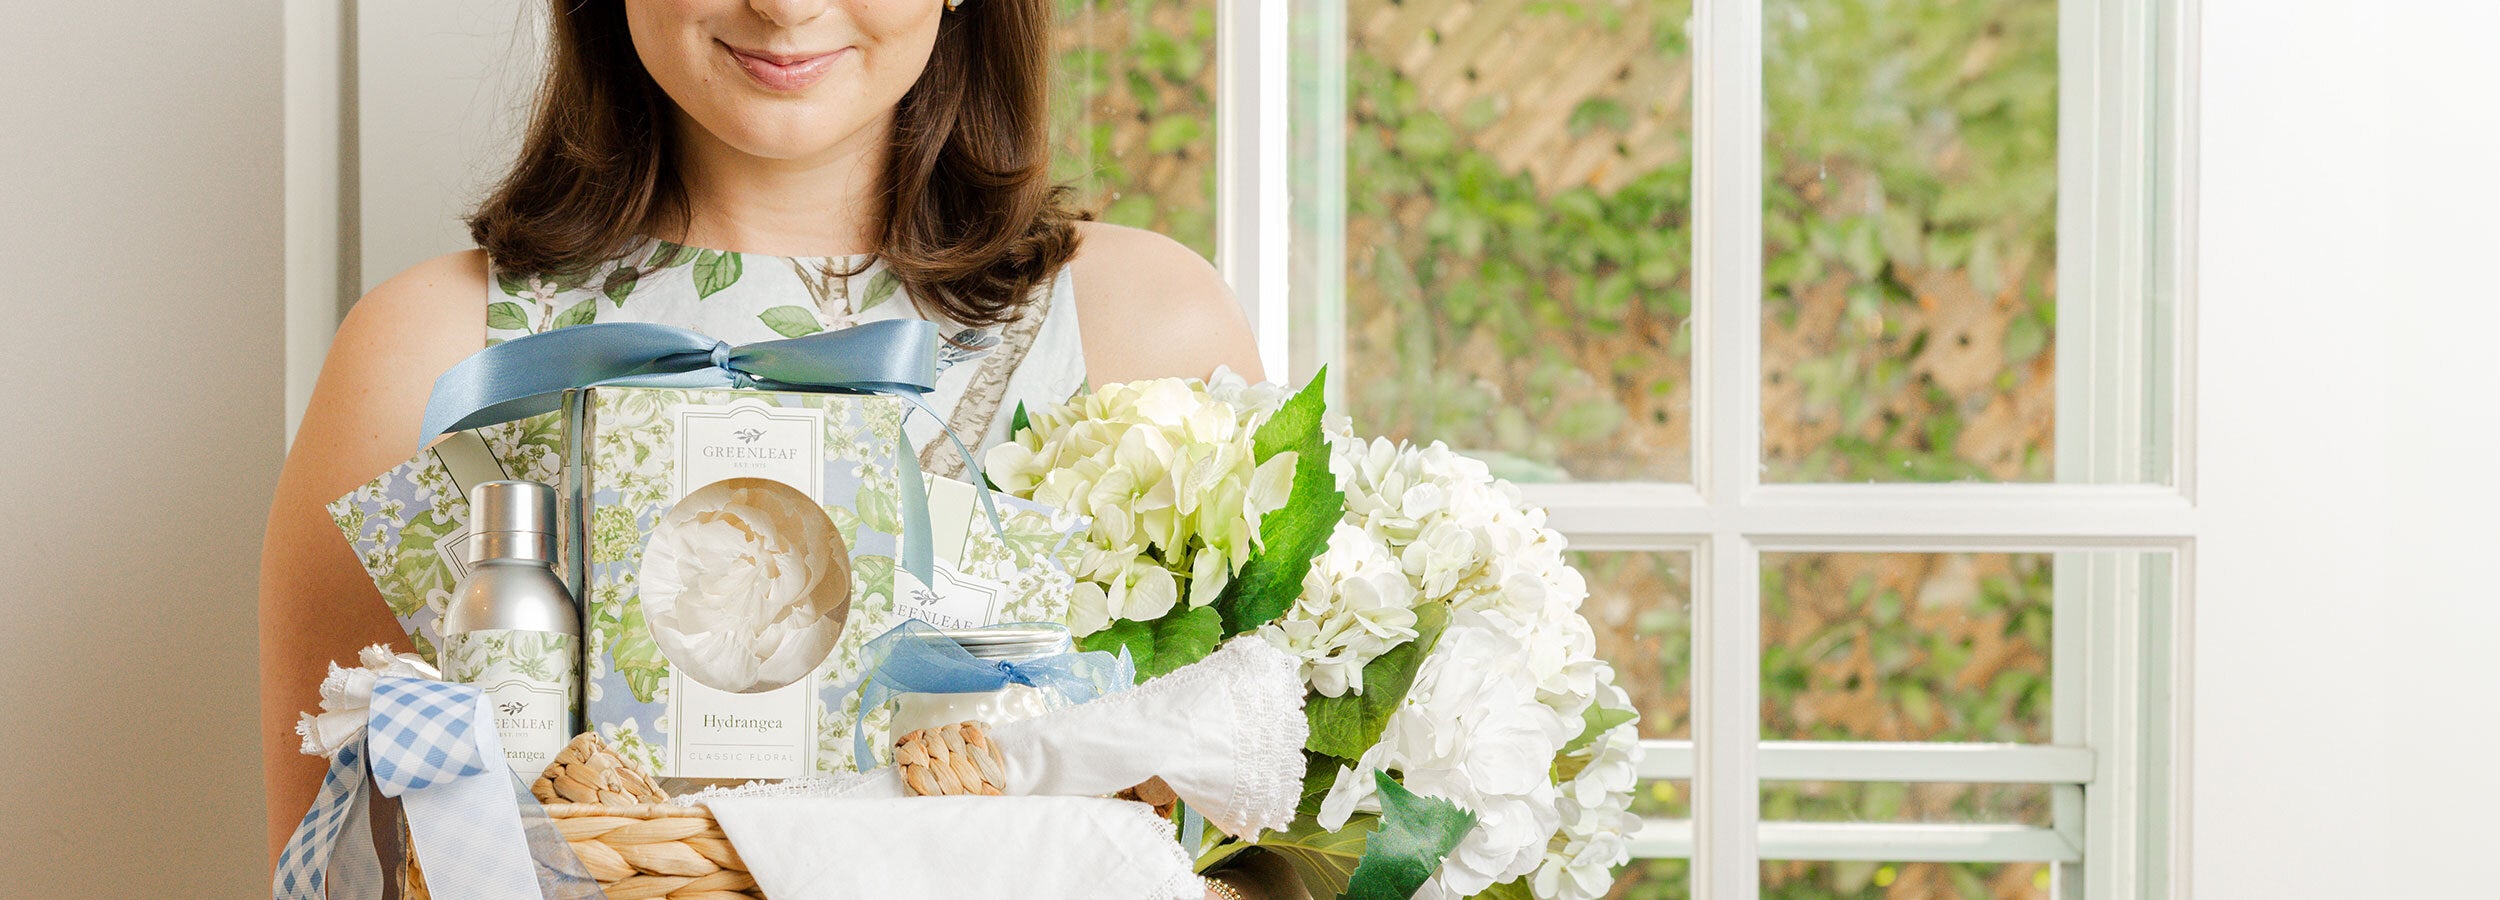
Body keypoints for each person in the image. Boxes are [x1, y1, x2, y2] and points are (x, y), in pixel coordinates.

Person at [259, 1, 1295, 896]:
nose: (787, 6)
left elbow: (1252, 842)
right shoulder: (434, 354)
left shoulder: (1144, 326)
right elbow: (340, 867)